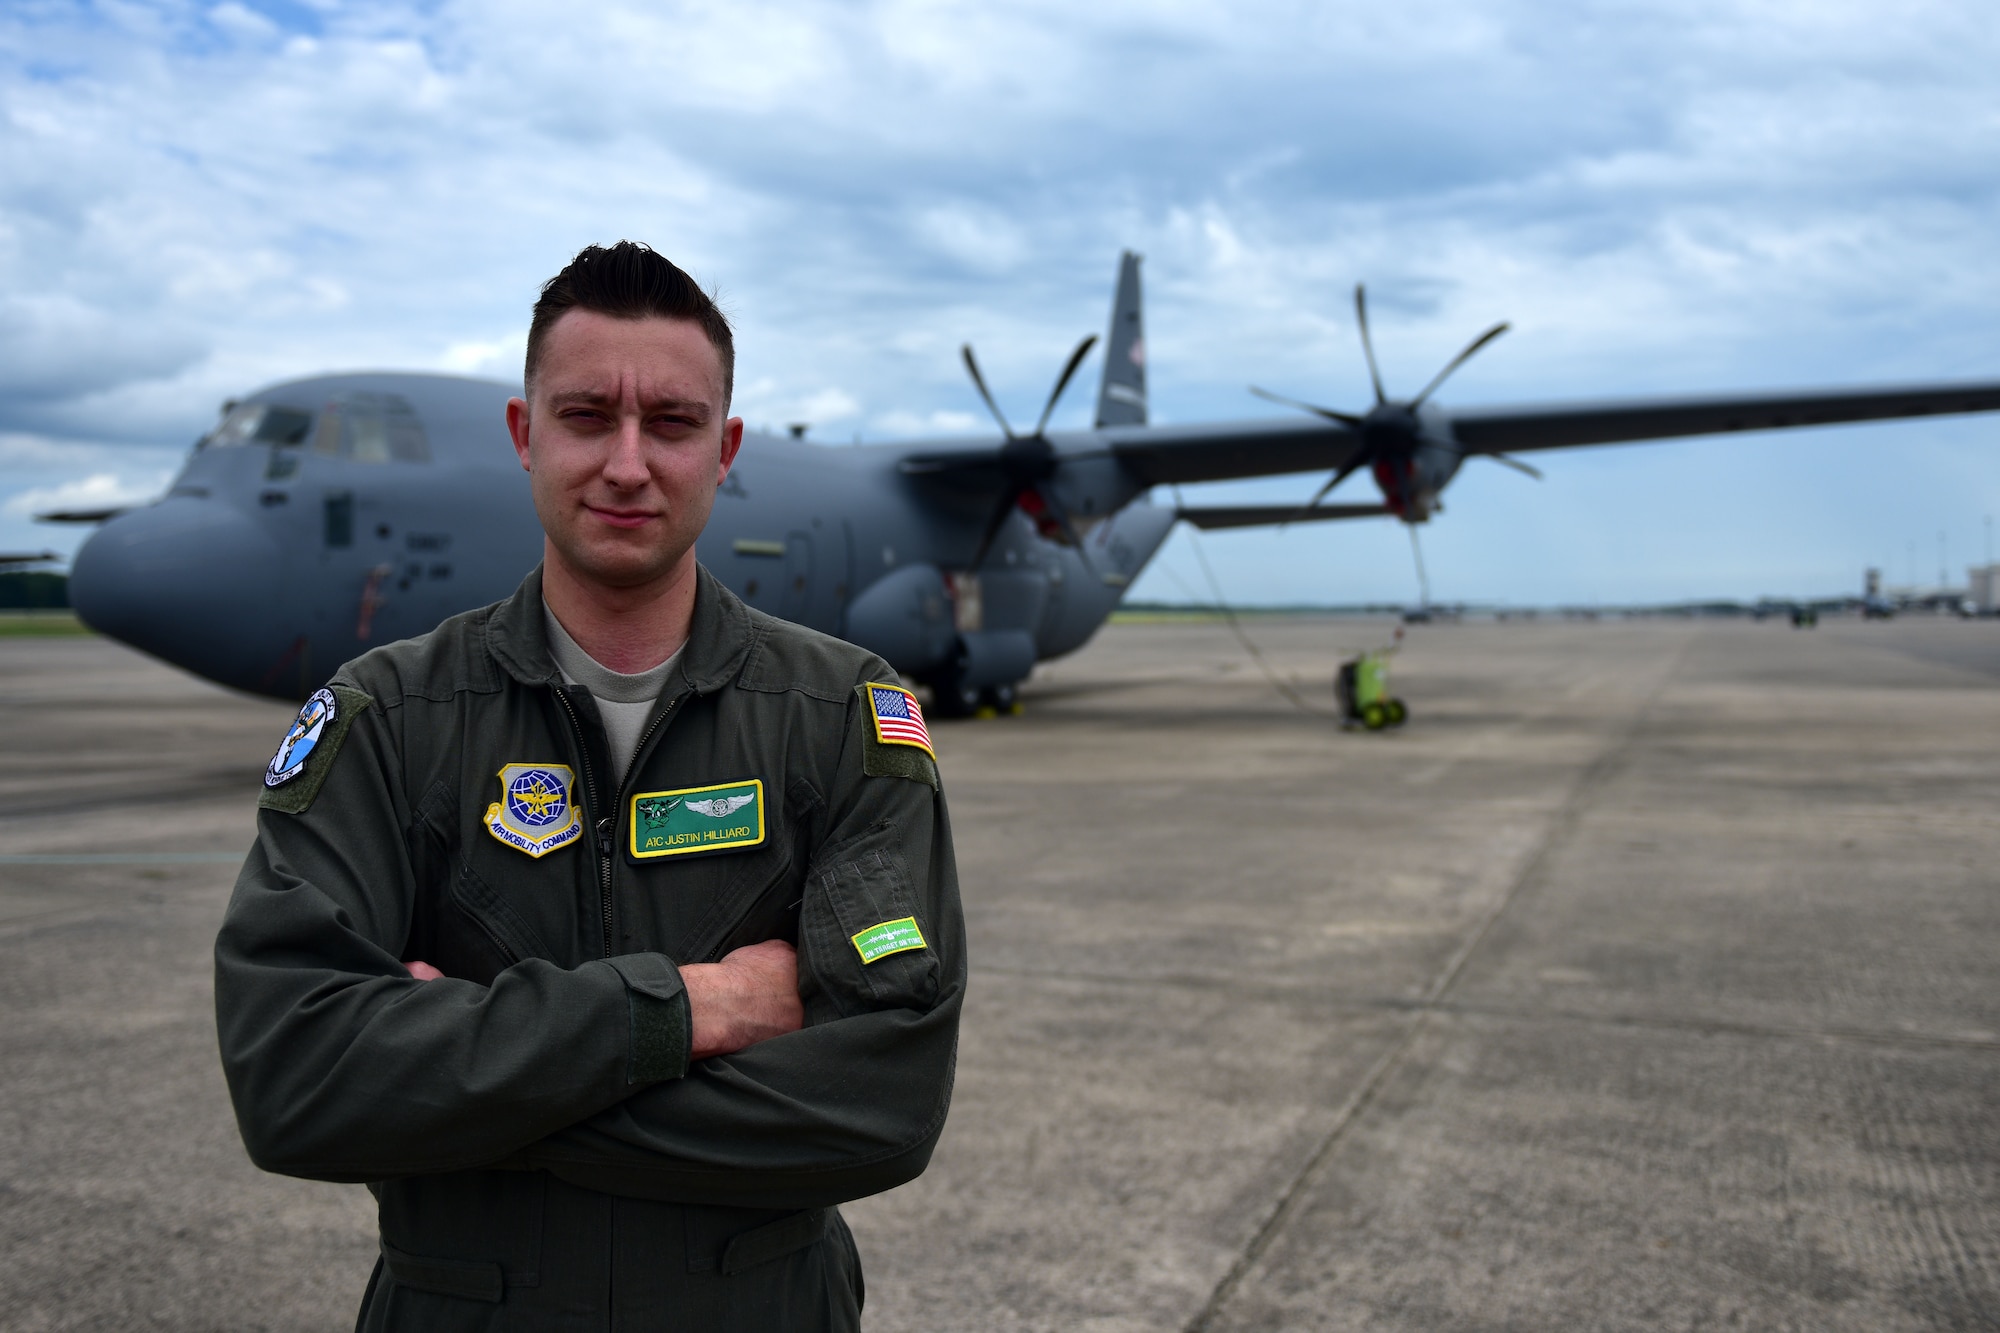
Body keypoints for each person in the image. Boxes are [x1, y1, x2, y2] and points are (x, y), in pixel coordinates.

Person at [215, 241, 965, 1331]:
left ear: (725, 449)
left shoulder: (844, 714)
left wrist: (459, 1086)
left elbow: (882, 1107)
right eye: (583, 416)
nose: (626, 463)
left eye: (670, 422)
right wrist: (689, 1010)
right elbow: (294, 1084)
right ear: (525, 437)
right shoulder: (388, 718)